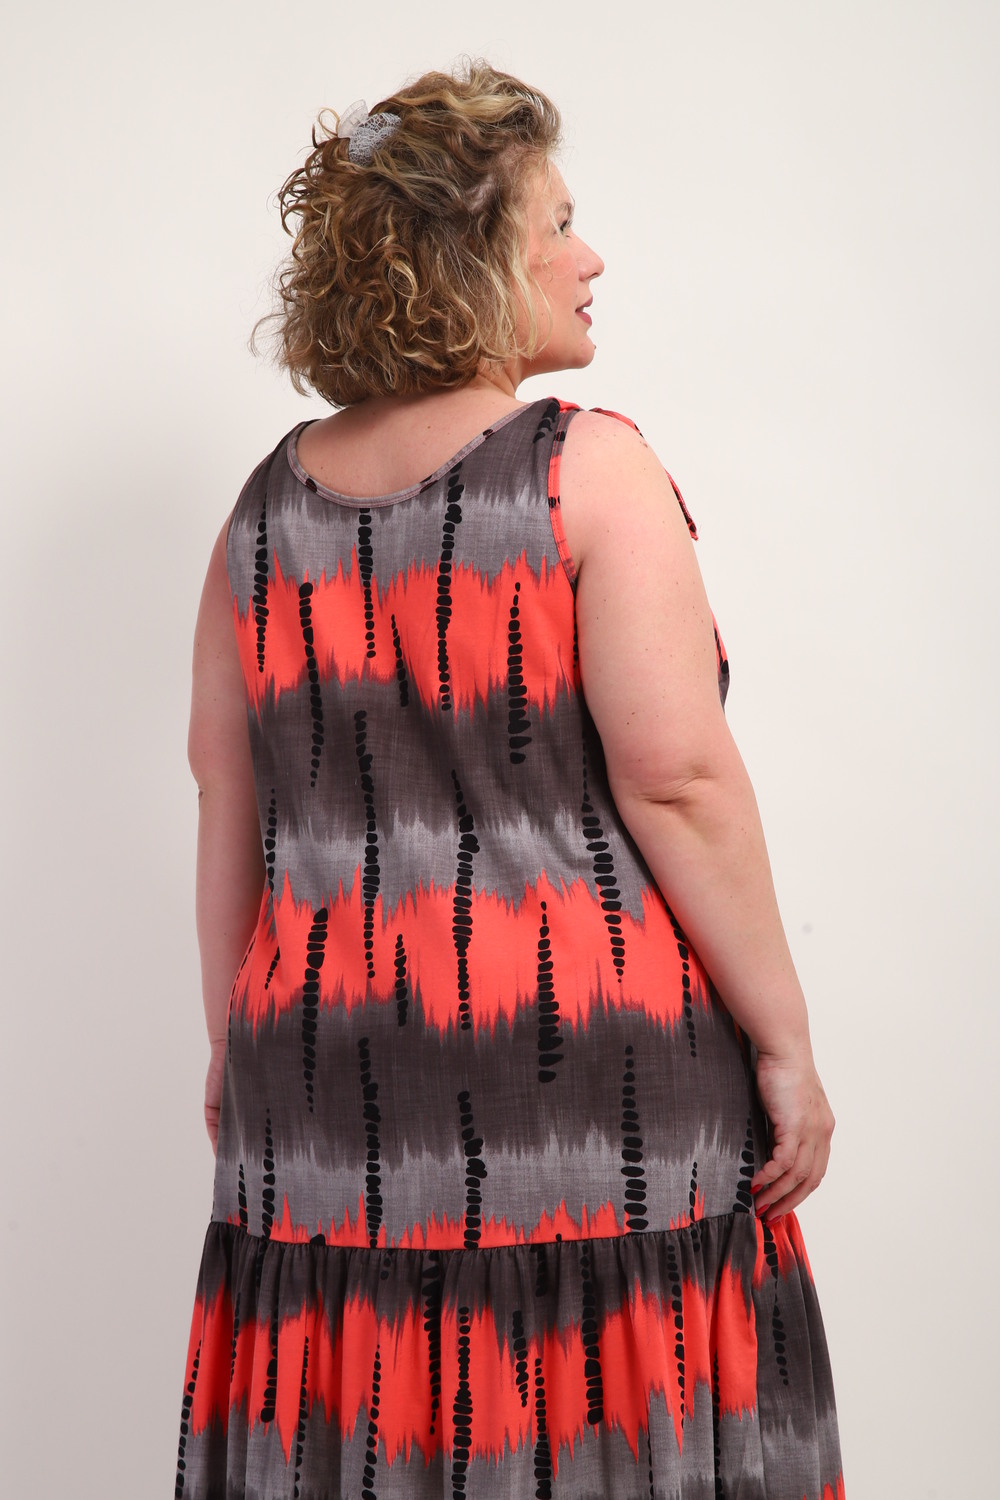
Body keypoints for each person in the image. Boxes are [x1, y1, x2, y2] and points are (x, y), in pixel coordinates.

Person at [176, 61, 844, 1500]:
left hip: (320, 1086)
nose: (591, 259)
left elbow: (230, 800)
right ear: (474, 257)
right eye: (560, 224)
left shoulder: (261, 513)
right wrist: (785, 1039)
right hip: (591, 1096)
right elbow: (679, 780)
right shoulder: (584, 473)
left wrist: (235, 1043)